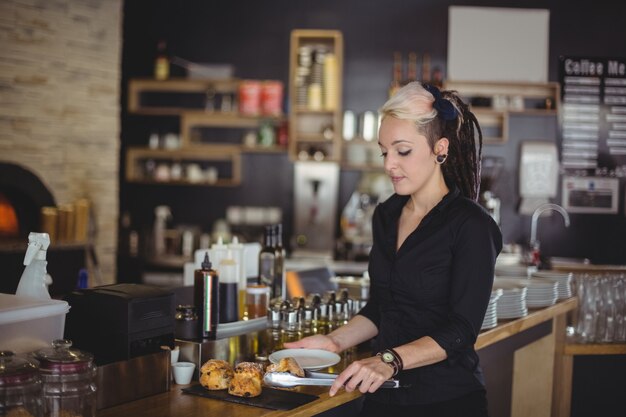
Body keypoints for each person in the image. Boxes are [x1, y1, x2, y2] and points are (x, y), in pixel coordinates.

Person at [284, 82, 502, 417]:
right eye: (385, 152)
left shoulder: (472, 226)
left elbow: (461, 330)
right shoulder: (387, 215)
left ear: (439, 149)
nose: (388, 165)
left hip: (446, 402)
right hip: (383, 397)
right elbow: (382, 306)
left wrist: (390, 360)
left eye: (403, 151)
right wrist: (335, 342)